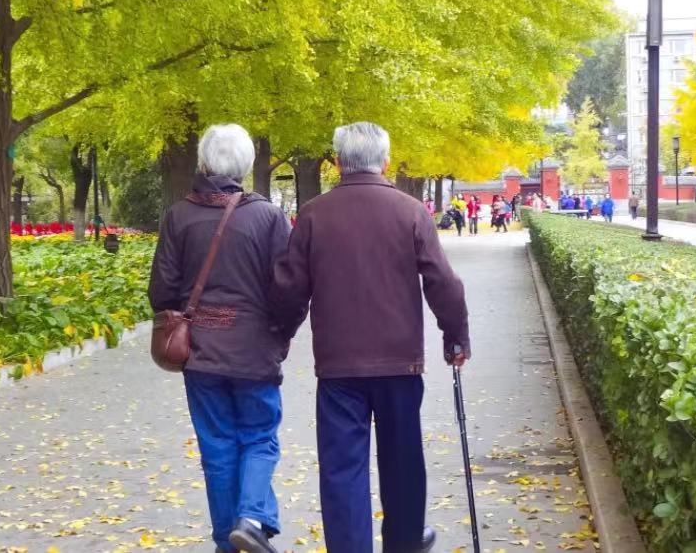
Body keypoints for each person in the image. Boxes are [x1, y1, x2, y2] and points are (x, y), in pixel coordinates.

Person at [272, 122, 470, 553]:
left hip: (338, 366)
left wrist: (280, 337)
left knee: (342, 469)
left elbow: (290, 290)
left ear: (337, 162)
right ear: (385, 161)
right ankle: (404, 542)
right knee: (403, 460)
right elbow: (444, 282)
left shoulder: (313, 215)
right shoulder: (410, 211)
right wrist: (454, 336)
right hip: (400, 362)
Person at [148, 124, 292, 553]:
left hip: (201, 353)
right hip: (254, 351)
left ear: (204, 163)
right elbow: (288, 290)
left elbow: (161, 291)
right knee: (259, 437)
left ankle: (227, 542)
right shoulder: (268, 217)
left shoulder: (179, 216)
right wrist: (279, 337)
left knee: (217, 448)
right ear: (246, 164)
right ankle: (252, 519)